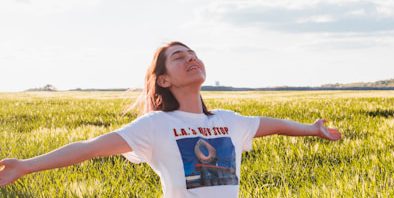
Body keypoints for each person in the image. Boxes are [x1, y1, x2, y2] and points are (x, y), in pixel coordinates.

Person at [0, 41, 342, 197]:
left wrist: (313, 130)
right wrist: (26, 166)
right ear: (163, 80)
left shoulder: (230, 121)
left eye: (193, 54)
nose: (191, 58)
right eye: (179, 57)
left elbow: (277, 125)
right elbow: (90, 148)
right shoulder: (154, 126)